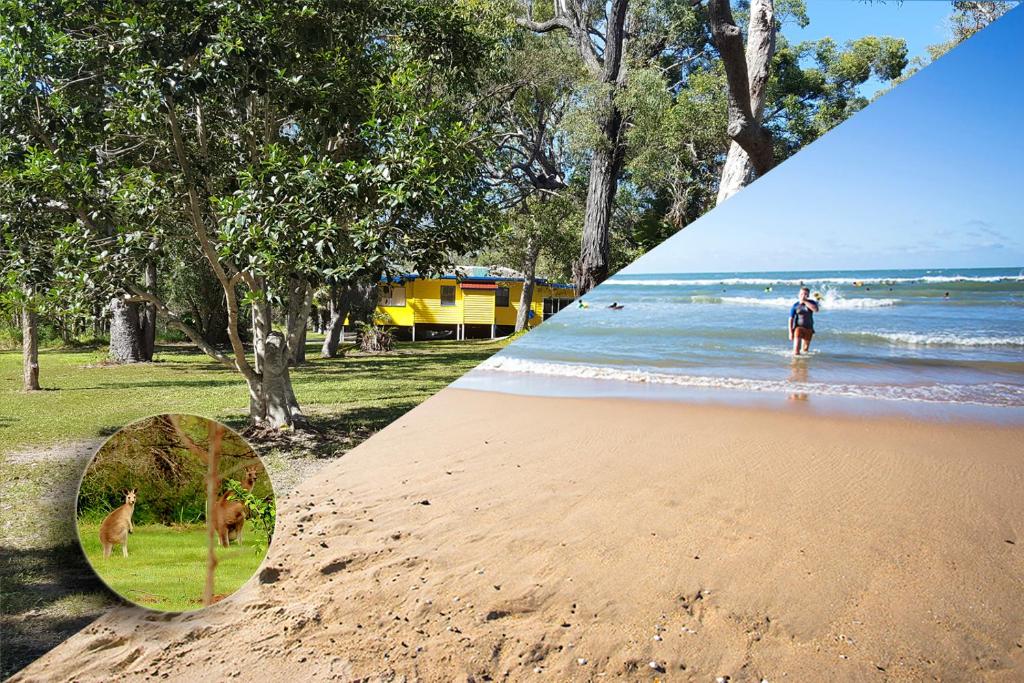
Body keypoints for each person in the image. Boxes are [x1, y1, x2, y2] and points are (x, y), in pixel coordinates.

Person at [788, 286, 820, 356]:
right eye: (802, 294)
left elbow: (816, 310)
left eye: (805, 294)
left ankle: (802, 364)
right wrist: (790, 332)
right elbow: (791, 319)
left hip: (809, 328)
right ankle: (795, 362)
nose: (803, 295)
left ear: (808, 295)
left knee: (805, 351)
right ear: (799, 295)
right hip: (798, 328)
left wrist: (805, 301)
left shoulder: (811, 302)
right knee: (796, 350)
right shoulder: (795, 305)